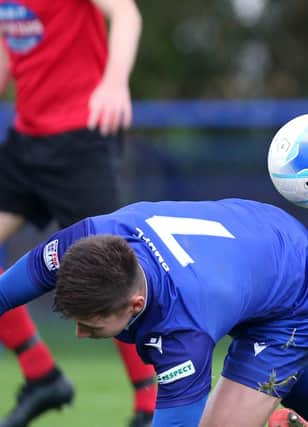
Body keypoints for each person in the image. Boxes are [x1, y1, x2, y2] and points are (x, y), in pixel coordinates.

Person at [0, 198, 308, 427]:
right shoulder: (84, 242)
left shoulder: (182, 335)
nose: (80, 333)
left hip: (300, 294)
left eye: (90, 325)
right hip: (253, 234)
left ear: (135, 304)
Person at [0, 1, 157, 426]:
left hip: (80, 139)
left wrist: (114, 83)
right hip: (24, 142)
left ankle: (150, 406)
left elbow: (126, 14)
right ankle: (41, 375)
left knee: (120, 265)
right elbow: (8, 48)